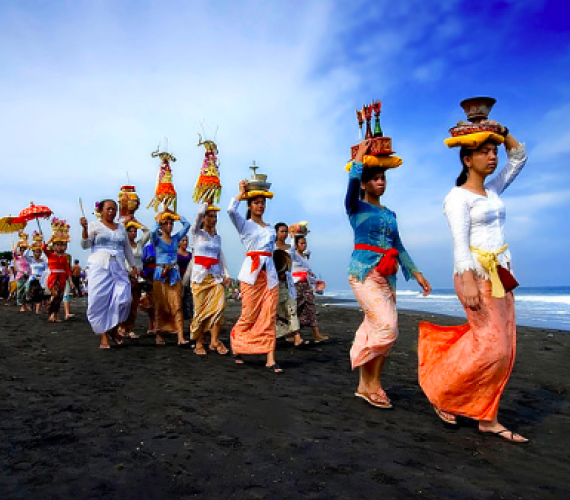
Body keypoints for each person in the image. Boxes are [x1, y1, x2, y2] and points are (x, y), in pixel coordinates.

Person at [418, 115, 528, 443]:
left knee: (505, 348)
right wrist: (466, 280)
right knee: (491, 346)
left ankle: (487, 417)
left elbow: (519, 156)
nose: (494, 156)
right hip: (475, 276)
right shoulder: (457, 198)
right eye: (485, 151)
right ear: (468, 159)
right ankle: (440, 388)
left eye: (495, 151)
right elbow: (459, 243)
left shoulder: (493, 190)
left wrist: (502, 132)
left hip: (501, 274)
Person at [346, 138, 431, 408]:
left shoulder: (391, 214)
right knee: (388, 328)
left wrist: (416, 273)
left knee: (376, 328)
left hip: (389, 275)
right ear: (364, 183)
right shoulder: (356, 208)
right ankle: (369, 377)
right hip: (363, 272)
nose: (381, 182)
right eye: (375, 178)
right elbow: (350, 187)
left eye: (383, 178)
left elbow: (399, 246)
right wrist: (359, 157)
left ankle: (368, 385)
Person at [228, 177, 281, 372]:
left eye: (262, 203)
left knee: (269, 315)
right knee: (249, 314)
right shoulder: (244, 225)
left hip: (270, 275)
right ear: (250, 205)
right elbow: (231, 211)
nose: (260, 206)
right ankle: (238, 344)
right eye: (256, 203)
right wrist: (240, 193)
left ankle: (270, 358)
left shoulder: (270, 229)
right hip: (251, 274)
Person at [80, 200, 136, 349]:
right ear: (101, 210)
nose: (111, 212)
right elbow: (85, 245)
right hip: (100, 265)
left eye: (114, 209)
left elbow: (127, 249)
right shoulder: (94, 226)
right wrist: (84, 229)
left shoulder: (121, 228)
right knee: (100, 299)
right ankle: (104, 335)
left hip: (118, 265)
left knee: (124, 299)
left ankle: (112, 327)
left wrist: (133, 265)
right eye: (109, 209)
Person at [190, 203, 231, 355]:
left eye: (215, 217)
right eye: (210, 216)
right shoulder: (197, 234)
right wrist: (206, 204)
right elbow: (198, 216)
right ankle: (199, 342)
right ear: (204, 218)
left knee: (219, 307)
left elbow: (220, 257)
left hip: (215, 277)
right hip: (200, 277)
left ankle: (214, 340)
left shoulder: (217, 238)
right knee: (200, 311)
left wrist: (226, 273)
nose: (213, 219)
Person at [151, 209, 191, 346]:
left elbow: (187, 226)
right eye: (166, 223)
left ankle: (180, 336)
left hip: (174, 272)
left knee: (177, 304)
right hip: (160, 273)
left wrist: (177, 215)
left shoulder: (176, 239)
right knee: (160, 305)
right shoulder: (157, 240)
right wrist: (158, 221)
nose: (169, 226)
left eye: (171, 223)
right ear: (162, 225)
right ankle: (159, 335)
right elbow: (151, 233)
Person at [290, 232, 328, 343]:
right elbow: (291, 250)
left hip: (305, 285)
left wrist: (316, 281)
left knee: (311, 308)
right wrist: (293, 237)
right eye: (301, 243)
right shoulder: (294, 256)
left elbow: (306, 274)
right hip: (296, 285)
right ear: (296, 245)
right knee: (296, 309)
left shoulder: (305, 257)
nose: (304, 245)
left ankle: (317, 335)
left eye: (305, 243)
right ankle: (293, 335)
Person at [273, 223, 306, 347]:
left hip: (287, 281)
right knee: (277, 310)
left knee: (291, 308)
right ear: (276, 232)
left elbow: (290, 263)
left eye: (286, 231)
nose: (284, 234)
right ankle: (285, 334)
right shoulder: (271, 246)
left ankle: (297, 337)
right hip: (275, 283)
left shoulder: (289, 247)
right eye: (282, 231)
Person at [118, 219, 150, 338]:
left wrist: (137, 223)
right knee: (126, 302)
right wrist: (125, 222)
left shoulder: (139, 244)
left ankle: (130, 328)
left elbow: (147, 232)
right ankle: (122, 327)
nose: (133, 233)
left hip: (138, 276)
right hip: (125, 275)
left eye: (135, 231)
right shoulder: (122, 245)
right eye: (130, 231)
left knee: (135, 303)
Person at [42, 224, 72, 323]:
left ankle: (55, 315)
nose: (59, 247)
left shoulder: (64, 257)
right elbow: (43, 248)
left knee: (59, 298)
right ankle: (50, 312)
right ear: (54, 246)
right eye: (57, 245)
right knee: (54, 296)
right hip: (53, 278)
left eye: (61, 245)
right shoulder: (50, 255)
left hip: (62, 278)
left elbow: (67, 270)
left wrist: (70, 282)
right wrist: (49, 241)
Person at [25, 233, 48, 314]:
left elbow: (47, 269)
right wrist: (30, 247)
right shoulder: (31, 260)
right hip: (33, 277)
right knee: (27, 289)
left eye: (39, 252)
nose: (38, 253)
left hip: (41, 278)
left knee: (41, 292)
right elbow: (25, 255)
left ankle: (37, 310)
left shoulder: (44, 261)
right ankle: (28, 301)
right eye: (36, 252)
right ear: (34, 252)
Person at [13, 232, 31, 313]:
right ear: (20, 250)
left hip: (27, 276)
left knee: (27, 289)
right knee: (20, 291)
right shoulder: (18, 258)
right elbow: (14, 252)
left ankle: (26, 303)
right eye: (22, 249)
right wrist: (17, 244)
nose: (23, 251)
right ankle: (21, 305)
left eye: (24, 249)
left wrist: (26, 243)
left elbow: (30, 248)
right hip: (20, 276)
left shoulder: (28, 258)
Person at [177, 235, 193, 322]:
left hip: (188, 280)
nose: (185, 242)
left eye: (186, 240)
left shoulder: (190, 255)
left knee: (189, 302)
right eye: (183, 241)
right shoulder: (175, 254)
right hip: (178, 279)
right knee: (179, 303)